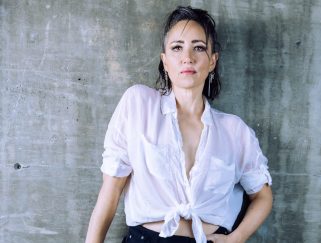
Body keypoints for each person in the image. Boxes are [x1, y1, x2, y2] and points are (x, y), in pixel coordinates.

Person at [85, 6, 273, 243]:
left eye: (199, 47)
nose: (188, 57)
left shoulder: (235, 131)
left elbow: (263, 196)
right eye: (177, 47)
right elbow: (110, 193)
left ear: (213, 60)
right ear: (164, 60)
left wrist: (235, 239)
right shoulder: (138, 104)